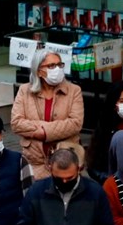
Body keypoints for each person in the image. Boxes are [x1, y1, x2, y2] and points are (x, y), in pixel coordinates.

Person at [10, 48, 83, 182]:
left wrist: (44, 132)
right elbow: (16, 123)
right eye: (51, 66)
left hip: (66, 161)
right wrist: (45, 129)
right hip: (35, 163)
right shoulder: (24, 90)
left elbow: (75, 124)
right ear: (39, 71)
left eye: (60, 65)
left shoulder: (74, 91)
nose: (57, 69)